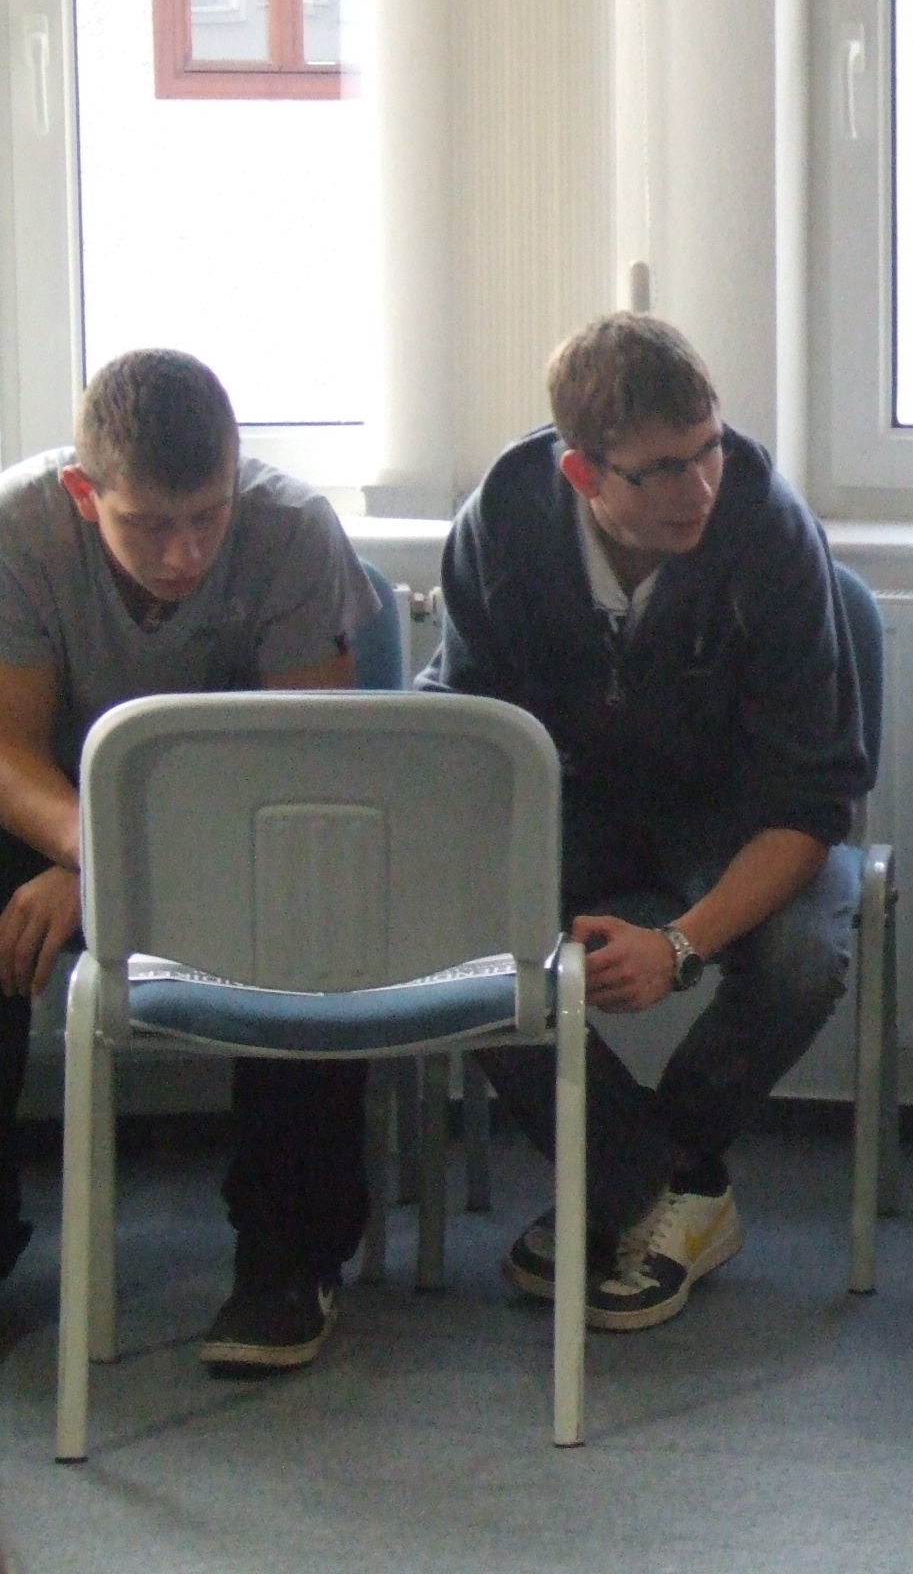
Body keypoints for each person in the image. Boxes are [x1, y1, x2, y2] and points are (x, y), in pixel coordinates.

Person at [430, 313, 868, 1332]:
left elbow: (813, 803)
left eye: (709, 449)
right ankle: (660, 1190)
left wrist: (679, 946)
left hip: (738, 817)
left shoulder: (768, 529)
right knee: (453, 936)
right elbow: (471, 746)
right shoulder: (504, 519)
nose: (700, 486)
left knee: (804, 957)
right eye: (663, 469)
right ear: (584, 474)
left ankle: (619, 1188)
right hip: (571, 804)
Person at [0, 350, 378, 1374]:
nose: (185, 554)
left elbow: (305, 769)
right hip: (64, 821)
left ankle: (290, 1258)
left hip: (247, 821)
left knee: (314, 900)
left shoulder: (293, 531)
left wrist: (110, 863)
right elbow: (9, 750)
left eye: (208, 516)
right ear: (84, 496)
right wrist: (93, 853)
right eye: (149, 526)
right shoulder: (21, 530)